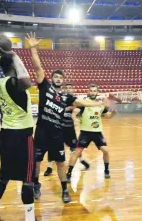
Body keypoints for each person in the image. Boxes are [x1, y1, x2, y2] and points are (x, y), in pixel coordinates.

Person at [27, 32, 104, 203]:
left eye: (61, 77)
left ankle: (64, 190)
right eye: (56, 76)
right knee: (37, 162)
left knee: (61, 163)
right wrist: (33, 49)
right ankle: (36, 185)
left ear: (63, 80)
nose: (58, 79)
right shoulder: (45, 87)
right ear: (52, 79)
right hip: (40, 133)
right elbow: (38, 68)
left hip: (56, 135)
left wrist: (99, 103)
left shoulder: (67, 97)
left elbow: (83, 103)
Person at [0, 45, 45, 221]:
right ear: (13, 66)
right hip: (22, 135)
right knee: (28, 179)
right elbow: (26, 81)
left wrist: (6, 106)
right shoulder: (13, 83)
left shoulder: (0, 85)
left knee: (4, 175)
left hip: (6, 134)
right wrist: (14, 54)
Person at [66, 84, 117, 183]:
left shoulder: (100, 104)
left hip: (97, 133)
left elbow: (107, 116)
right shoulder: (84, 104)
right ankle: (69, 174)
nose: (93, 92)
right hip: (85, 133)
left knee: (106, 151)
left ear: (97, 92)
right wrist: (75, 119)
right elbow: (75, 112)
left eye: (94, 91)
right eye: (91, 91)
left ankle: (106, 170)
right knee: (77, 153)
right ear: (88, 92)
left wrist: (113, 113)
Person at [44, 83, 90, 177]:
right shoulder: (60, 98)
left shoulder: (76, 101)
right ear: (64, 89)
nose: (69, 89)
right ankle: (49, 167)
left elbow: (82, 108)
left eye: (70, 88)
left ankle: (82, 161)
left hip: (70, 129)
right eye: (67, 88)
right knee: (52, 147)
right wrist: (67, 108)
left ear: (73, 90)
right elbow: (55, 108)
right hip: (59, 129)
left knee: (75, 147)